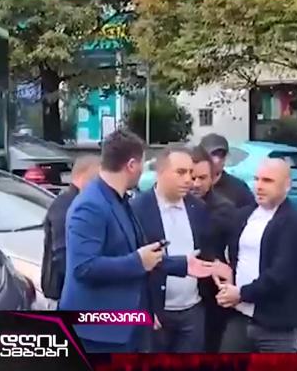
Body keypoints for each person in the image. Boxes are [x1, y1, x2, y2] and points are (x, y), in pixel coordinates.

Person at [59, 129, 215, 353]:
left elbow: (138, 254)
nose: (143, 170)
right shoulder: (90, 205)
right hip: (96, 332)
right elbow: (83, 267)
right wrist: (137, 262)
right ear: (131, 165)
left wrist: (182, 265)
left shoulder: (121, 199)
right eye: (142, 163)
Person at [213, 158, 297, 353]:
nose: (259, 186)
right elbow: (235, 255)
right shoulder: (244, 215)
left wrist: (241, 293)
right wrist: (225, 271)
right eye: (257, 179)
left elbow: (282, 274)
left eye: (268, 181)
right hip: (240, 317)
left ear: (287, 185)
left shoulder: (295, 222)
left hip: (277, 325)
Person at [131, 146, 214, 353]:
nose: (188, 180)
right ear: (160, 172)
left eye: (191, 173)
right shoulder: (137, 209)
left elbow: (205, 252)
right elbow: (133, 263)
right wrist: (145, 310)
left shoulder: (198, 208)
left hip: (192, 311)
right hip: (156, 313)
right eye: (181, 172)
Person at [190, 146, 240, 352]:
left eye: (202, 178)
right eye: (192, 177)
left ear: (213, 178)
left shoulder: (225, 209)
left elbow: (236, 251)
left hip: (212, 296)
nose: (196, 184)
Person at [40, 155, 100, 302]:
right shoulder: (67, 206)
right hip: (67, 293)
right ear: (83, 176)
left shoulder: (72, 203)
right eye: (98, 179)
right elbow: (63, 257)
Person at [199, 133, 255, 208]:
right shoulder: (191, 185)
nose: (217, 160)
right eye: (212, 154)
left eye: (222, 155)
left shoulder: (238, 188)